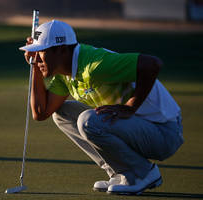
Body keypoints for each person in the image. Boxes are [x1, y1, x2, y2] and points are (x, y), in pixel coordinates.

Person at [19, 20, 183, 195]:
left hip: (164, 132)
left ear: (62, 50)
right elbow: (41, 112)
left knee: (89, 121)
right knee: (62, 114)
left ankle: (141, 174)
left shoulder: (94, 66)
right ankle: (119, 172)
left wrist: (130, 106)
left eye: (41, 52)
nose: (36, 57)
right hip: (138, 128)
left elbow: (152, 64)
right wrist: (35, 67)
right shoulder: (63, 74)